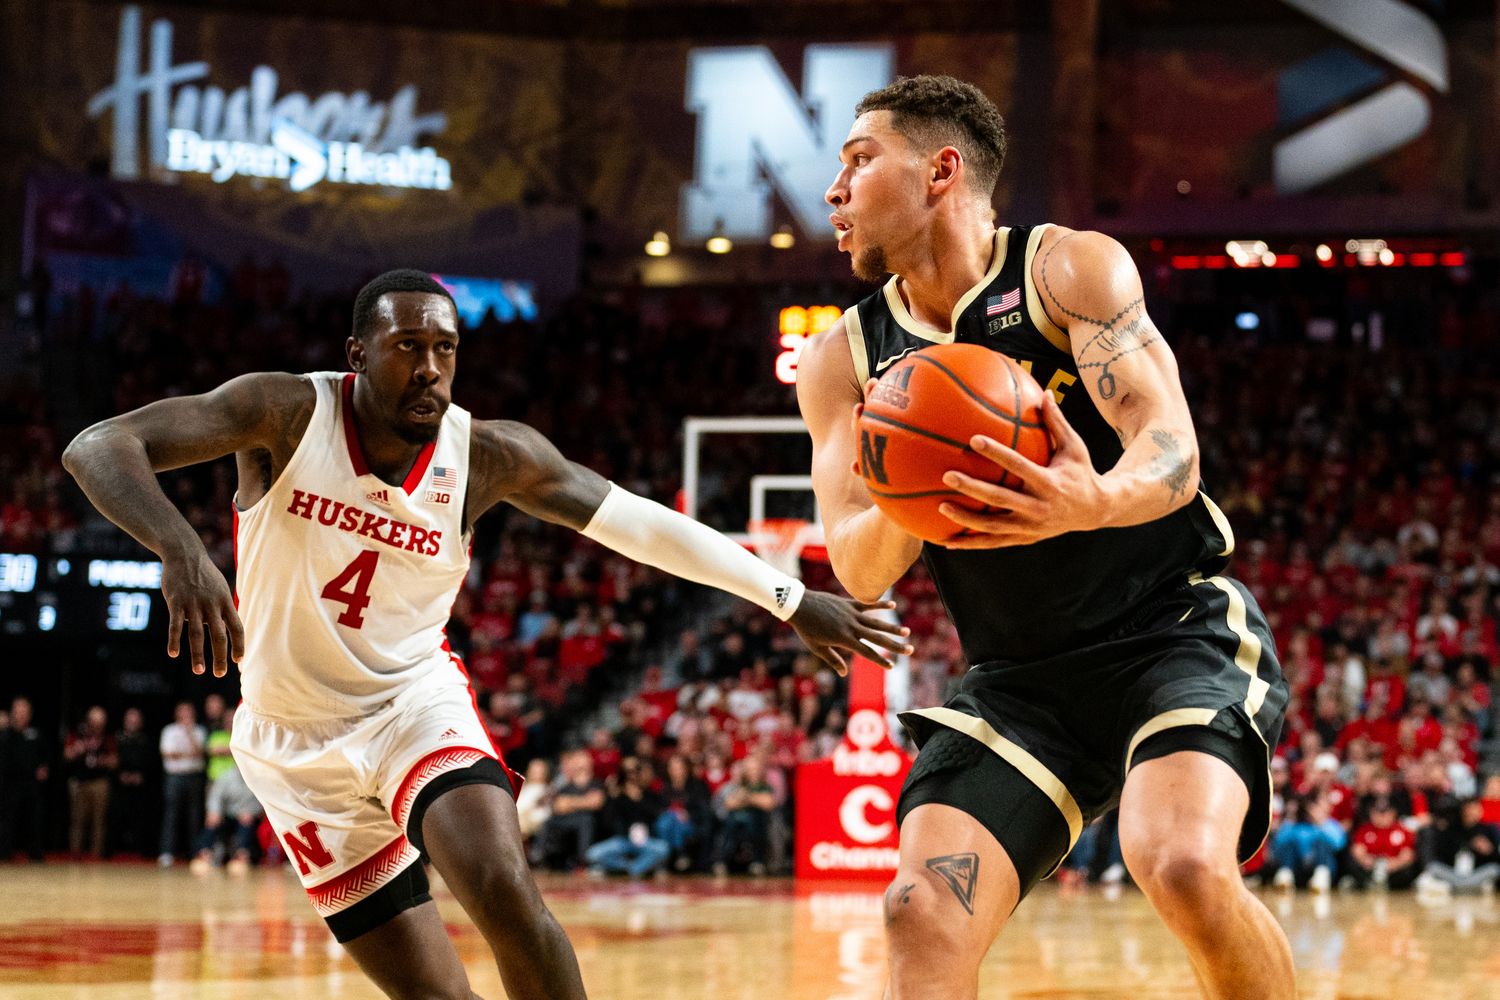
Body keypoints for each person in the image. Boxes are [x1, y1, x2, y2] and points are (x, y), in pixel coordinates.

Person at [63, 269, 909, 1000]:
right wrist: (180, 548)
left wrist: (790, 597)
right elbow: (100, 446)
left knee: (503, 885)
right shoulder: (284, 412)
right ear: (357, 355)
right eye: (406, 348)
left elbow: (637, 523)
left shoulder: (488, 455)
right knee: (432, 990)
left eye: (445, 349)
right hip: (290, 743)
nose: (430, 369)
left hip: (411, 706)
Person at [798, 75, 1291, 998]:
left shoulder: (1069, 270)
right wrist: (919, 479)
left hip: (1168, 630)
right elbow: (858, 567)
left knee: (1181, 862)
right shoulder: (843, 362)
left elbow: (1174, 452)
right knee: (920, 911)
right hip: (1019, 680)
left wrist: (1089, 502)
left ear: (941, 170)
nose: (834, 190)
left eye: (860, 161)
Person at [63, 705, 117, 858]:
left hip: (99, 782)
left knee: (99, 820)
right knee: (77, 819)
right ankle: (75, 853)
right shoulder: (78, 734)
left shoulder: (108, 737)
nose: (97, 725)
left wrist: (102, 761)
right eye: (94, 722)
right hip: (79, 782)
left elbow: (114, 761)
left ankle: (96, 854)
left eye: (100, 722)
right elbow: (67, 755)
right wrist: (78, 750)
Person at [0, 696, 49, 862]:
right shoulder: (5, 733)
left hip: (31, 783)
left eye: (24, 712)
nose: (21, 715)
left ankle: (35, 852)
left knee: (34, 819)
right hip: (9, 783)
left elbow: (44, 755)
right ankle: (4, 852)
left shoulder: (35, 733)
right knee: (7, 818)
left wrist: (44, 767)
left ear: (29, 714)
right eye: (17, 712)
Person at [158, 700, 206, 866]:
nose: (186, 715)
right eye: (182, 712)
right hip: (175, 777)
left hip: (193, 776)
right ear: (177, 714)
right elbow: (168, 754)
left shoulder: (199, 730)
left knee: (194, 816)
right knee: (171, 815)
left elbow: (199, 752)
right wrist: (188, 754)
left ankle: (195, 852)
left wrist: (189, 733)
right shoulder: (169, 731)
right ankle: (167, 852)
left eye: (188, 712)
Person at [1345, 798, 1419, 890]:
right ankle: (1365, 883)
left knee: (1408, 870)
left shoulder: (1402, 830)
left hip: (1393, 868)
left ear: (1393, 813)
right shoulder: (1364, 830)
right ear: (1371, 813)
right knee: (1352, 863)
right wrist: (1367, 860)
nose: (1381, 816)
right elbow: (1357, 850)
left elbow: (1407, 854)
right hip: (1370, 866)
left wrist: (1395, 863)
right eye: (1377, 812)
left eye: (1384, 813)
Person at [112, 706, 154, 856]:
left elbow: (151, 763)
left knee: (140, 819)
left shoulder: (145, 741)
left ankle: (140, 850)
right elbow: (112, 760)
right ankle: (114, 850)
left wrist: (140, 776)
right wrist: (120, 775)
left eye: (135, 720)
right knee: (116, 817)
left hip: (140, 786)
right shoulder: (117, 738)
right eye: (130, 719)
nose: (132, 722)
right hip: (119, 785)